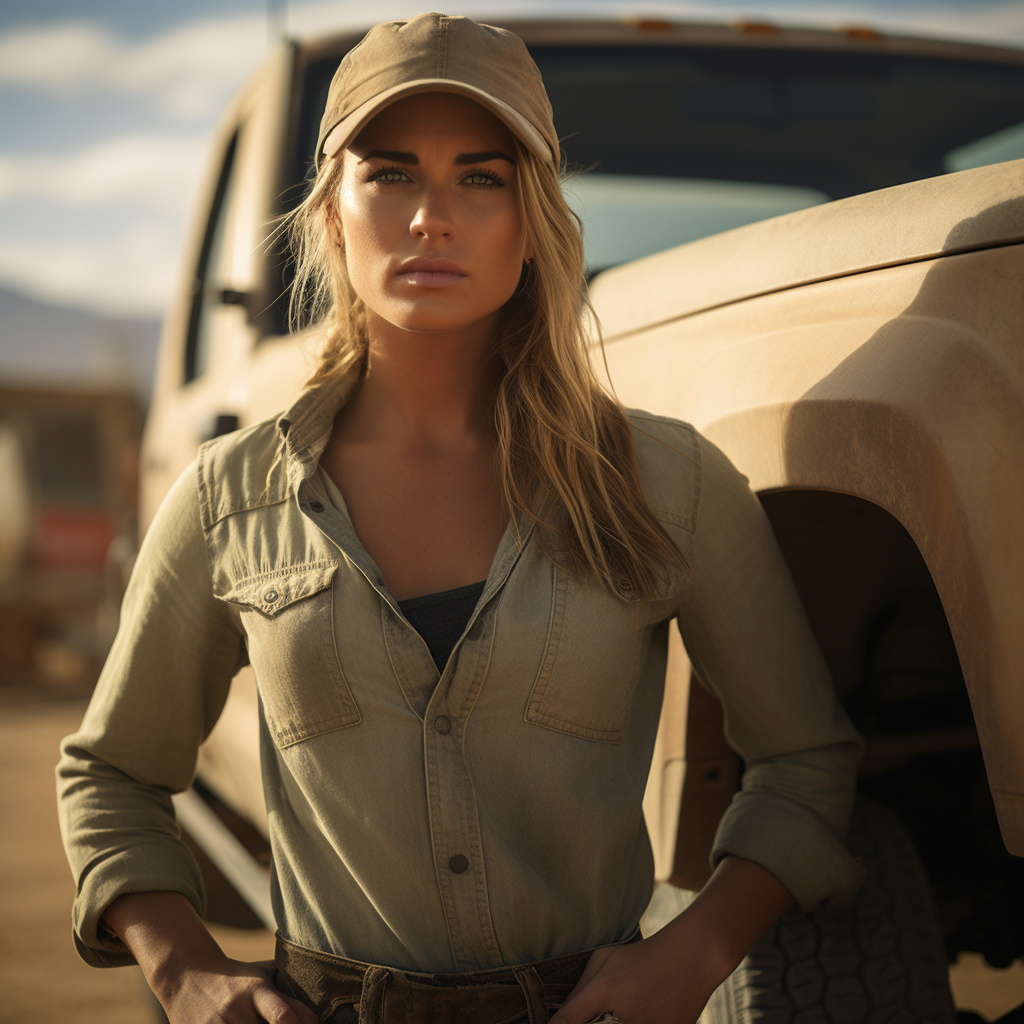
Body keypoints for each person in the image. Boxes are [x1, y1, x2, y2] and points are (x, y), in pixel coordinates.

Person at [57, 13, 864, 1024]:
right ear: (331, 213)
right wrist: (183, 969)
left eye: (481, 178)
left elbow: (805, 761)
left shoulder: (668, 482)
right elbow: (111, 774)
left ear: (530, 222)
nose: (431, 216)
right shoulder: (232, 498)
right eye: (389, 173)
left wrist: (695, 953)